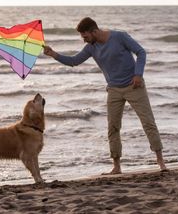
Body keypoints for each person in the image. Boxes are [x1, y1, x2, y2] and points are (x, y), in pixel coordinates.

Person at [43, 17, 167, 174]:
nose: (84, 40)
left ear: (94, 31)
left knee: (148, 122)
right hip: (114, 90)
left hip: (134, 86)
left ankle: (160, 161)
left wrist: (138, 74)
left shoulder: (119, 37)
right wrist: (54, 54)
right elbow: (74, 61)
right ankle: (116, 166)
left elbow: (140, 52)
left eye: (85, 36)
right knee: (113, 127)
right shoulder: (91, 47)